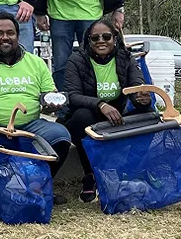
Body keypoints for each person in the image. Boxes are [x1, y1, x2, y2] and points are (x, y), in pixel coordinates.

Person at [0, 12, 70, 184]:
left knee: (60, 135)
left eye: (10, 33)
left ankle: (39, 185)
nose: (5, 37)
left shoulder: (36, 62)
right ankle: (4, 189)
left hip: (31, 127)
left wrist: (52, 105)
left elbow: (49, 96)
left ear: (18, 35)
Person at [64, 20, 152, 203]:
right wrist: (101, 105)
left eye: (106, 36)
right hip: (85, 117)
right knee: (82, 117)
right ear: (88, 40)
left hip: (115, 118)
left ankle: (129, 170)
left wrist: (142, 99)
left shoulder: (126, 58)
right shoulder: (76, 59)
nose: (101, 41)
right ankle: (90, 175)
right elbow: (72, 96)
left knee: (150, 116)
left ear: (115, 38)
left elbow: (136, 87)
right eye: (95, 37)